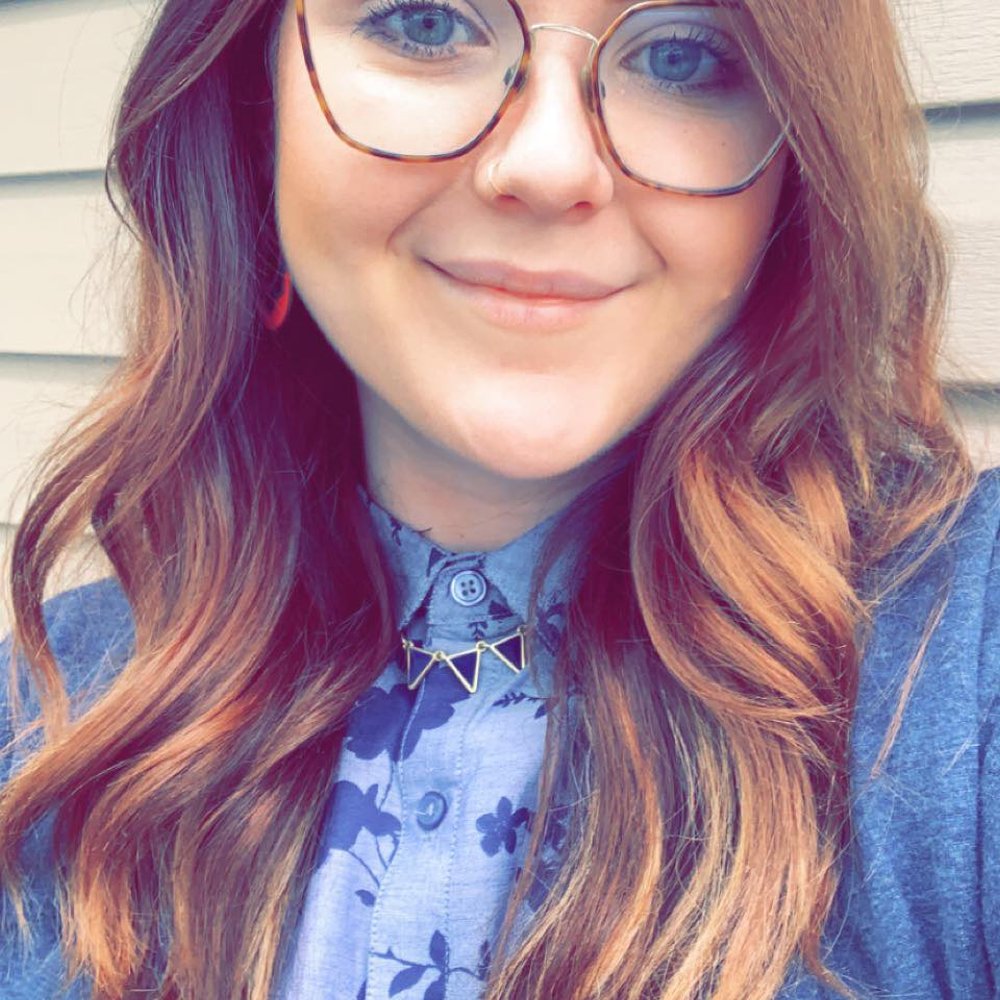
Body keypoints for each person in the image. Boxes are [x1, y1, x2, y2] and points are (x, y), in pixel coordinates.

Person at [1, 0, 997, 996]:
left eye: (682, 56)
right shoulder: (40, 715)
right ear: (255, 103)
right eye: (426, 22)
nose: (550, 165)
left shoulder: (964, 666)